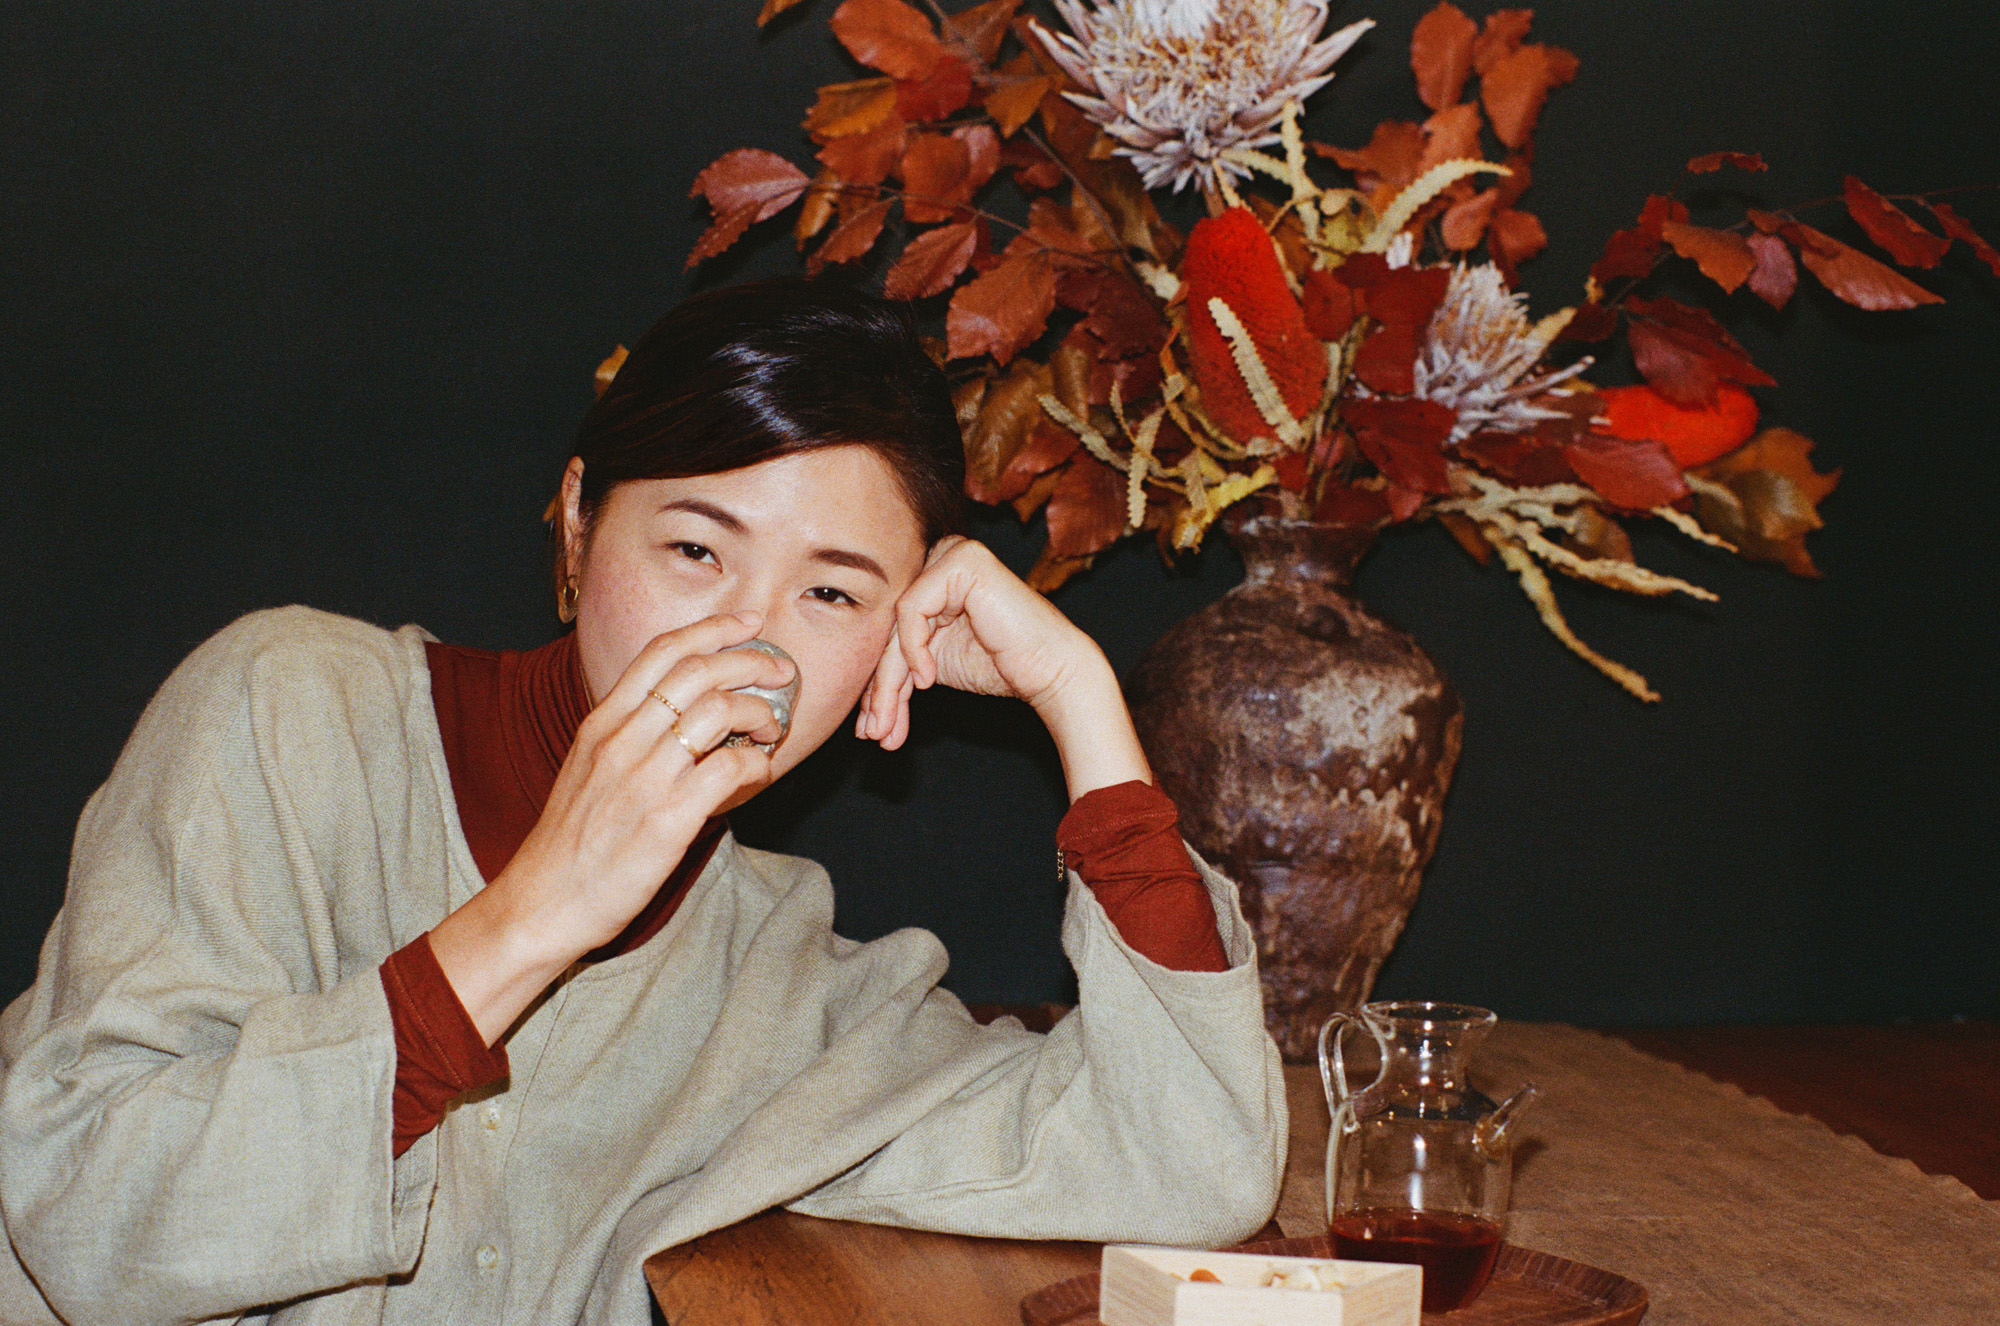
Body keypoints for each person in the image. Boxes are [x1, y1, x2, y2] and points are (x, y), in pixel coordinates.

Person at [0, 279, 1284, 1325]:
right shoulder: (290, 710)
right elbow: (83, 1218)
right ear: (573, 525)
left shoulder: (776, 979)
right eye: (693, 549)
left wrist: (1080, 700)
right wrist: (538, 912)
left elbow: (1190, 1165)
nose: (750, 636)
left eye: (832, 593)